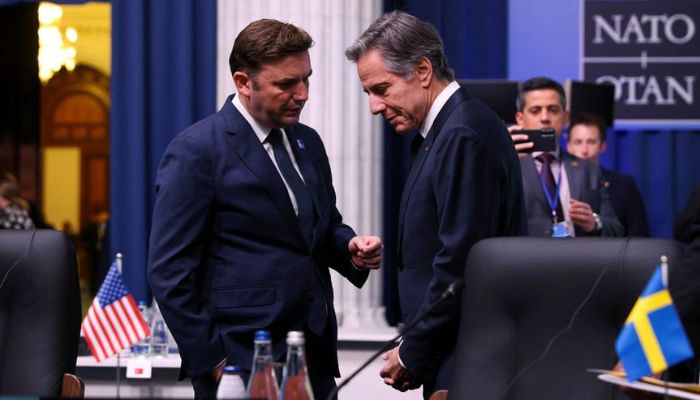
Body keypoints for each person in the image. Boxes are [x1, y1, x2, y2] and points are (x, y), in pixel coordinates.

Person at [148, 19, 383, 400]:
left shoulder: (308, 142)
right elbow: (168, 272)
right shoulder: (197, 150)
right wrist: (213, 361)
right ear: (243, 82)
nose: (303, 93)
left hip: (312, 359)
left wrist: (350, 248)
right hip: (240, 364)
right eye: (286, 84)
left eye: (307, 78)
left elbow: (319, 229)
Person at [346, 11, 528, 398]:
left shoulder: (461, 133)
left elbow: (460, 261)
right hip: (456, 353)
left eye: (382, 89)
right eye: (368, 94)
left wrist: (414, 352)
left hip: (468, 358)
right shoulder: (450, 128)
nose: (374, 107)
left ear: (423, 70)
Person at [510, 77, 623, 237]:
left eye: (553, 110)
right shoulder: (508, 168)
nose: (545, 118)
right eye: (535, 111)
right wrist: (502, 156)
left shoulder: (589, 170)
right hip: (524, 260)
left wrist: (594, 222)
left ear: (565, 118)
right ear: (520, 119)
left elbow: (616, 229)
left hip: (578, 260)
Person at [566, 112, 650, 237]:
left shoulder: (624, 186)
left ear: (602, 146)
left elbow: (639, 235)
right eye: (578, 142)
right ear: (569, 147)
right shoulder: (557, 182)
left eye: (591, 142)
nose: (584, 150)